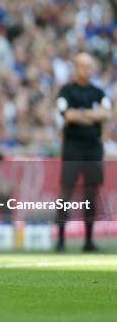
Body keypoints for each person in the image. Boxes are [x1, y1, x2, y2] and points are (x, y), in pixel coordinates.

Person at [55, 52, 112, 252]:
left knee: (91, 192)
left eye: (90, 66)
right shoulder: (66, 91)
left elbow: (107, 113)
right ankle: (60, 239)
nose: (87, 70)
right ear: (76, 68)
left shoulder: (98, 92)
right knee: (66, 191)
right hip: (72, 147)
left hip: (93, 148)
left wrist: (81, 114)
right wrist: (92, 116)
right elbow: (67, 116)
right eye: (83, 66)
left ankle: (88, 240)